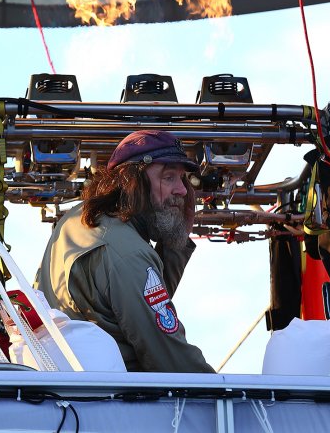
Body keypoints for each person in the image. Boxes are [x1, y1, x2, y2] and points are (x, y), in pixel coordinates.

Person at [36, 130, 214, 372]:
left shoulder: (77, 218)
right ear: (133, 182)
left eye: (182, 178)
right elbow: (170, 356)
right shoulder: (128, 253)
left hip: (72, 392)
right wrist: (235, 402)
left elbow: (138, 309)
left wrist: (175, 241)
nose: (182, 190)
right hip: (112, 399)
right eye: (169, 177)